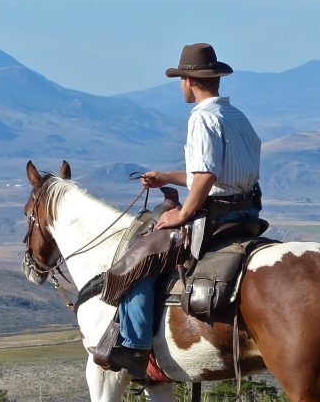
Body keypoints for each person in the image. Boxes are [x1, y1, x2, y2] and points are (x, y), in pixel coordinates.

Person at [99, 42, 262, 372]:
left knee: (140, 258)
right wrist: (166, 177)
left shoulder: (202, 118)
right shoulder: (236, 116)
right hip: (248, 212)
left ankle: (135, 345)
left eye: (180, 80)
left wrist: (183, 213)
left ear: (188, 81)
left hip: (215, 215)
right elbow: (216, 173)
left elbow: (206, 175)